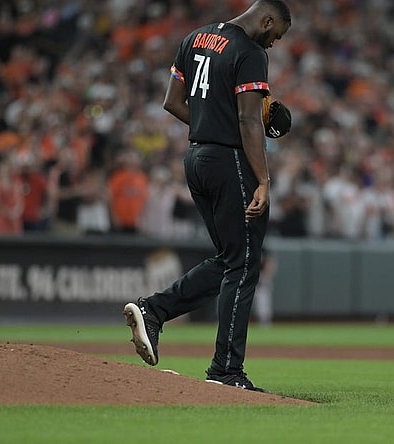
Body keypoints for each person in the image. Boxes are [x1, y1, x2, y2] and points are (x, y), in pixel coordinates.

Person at [123, 0, 292, 393]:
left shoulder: (194, 38)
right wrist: (264, 180)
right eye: (276, 35)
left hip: (197, 158)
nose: (273, 44)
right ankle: (226, 370)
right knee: (246, 262)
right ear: (266, 20)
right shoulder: (249, 52)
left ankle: (154, 310)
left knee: (232, 259)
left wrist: (212, 124)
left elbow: (172, 102)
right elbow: (250, 120)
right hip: (230, 161)